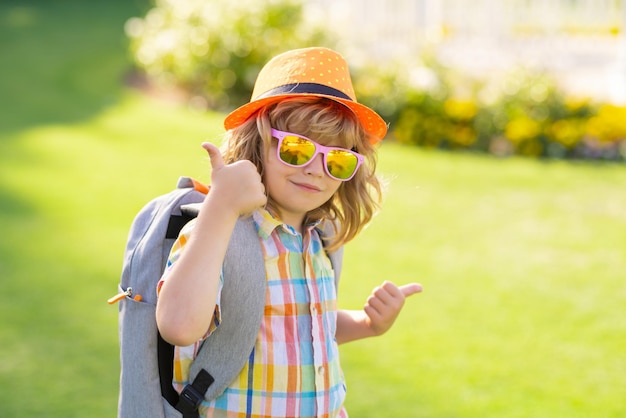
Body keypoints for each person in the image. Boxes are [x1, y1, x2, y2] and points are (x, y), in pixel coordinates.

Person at [156, 46, 422, 418]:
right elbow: (179, 326)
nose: (316, 169)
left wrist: (368, 324)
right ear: (255, 146)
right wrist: (220, 206)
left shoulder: (319, 240)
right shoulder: (220, 232)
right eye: (296, 150)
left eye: (337, 160)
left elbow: (303, 329)